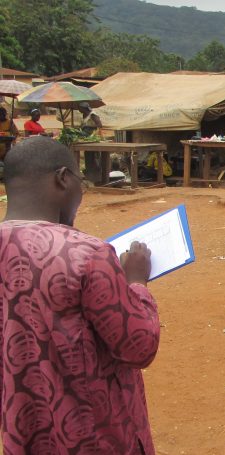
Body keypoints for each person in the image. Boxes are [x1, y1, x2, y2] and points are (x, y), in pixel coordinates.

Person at [0, 136, 160, 453]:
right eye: (80, 182)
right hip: (95, 433)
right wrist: (136, 282)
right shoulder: (87, 254)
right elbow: (139, 347)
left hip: (26, 430)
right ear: (63, 178)